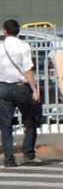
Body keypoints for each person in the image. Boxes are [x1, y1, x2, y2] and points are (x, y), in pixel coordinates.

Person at [0, 20, 43, 167]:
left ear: (5, 31)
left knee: (6, 124)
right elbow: (28, 70)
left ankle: (8, 159)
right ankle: (28, 155)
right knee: (30, 119)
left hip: (4, 88)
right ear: (18, 31)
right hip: (20, 87)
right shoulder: (23, 46)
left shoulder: (0, 47)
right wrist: (35, 91)